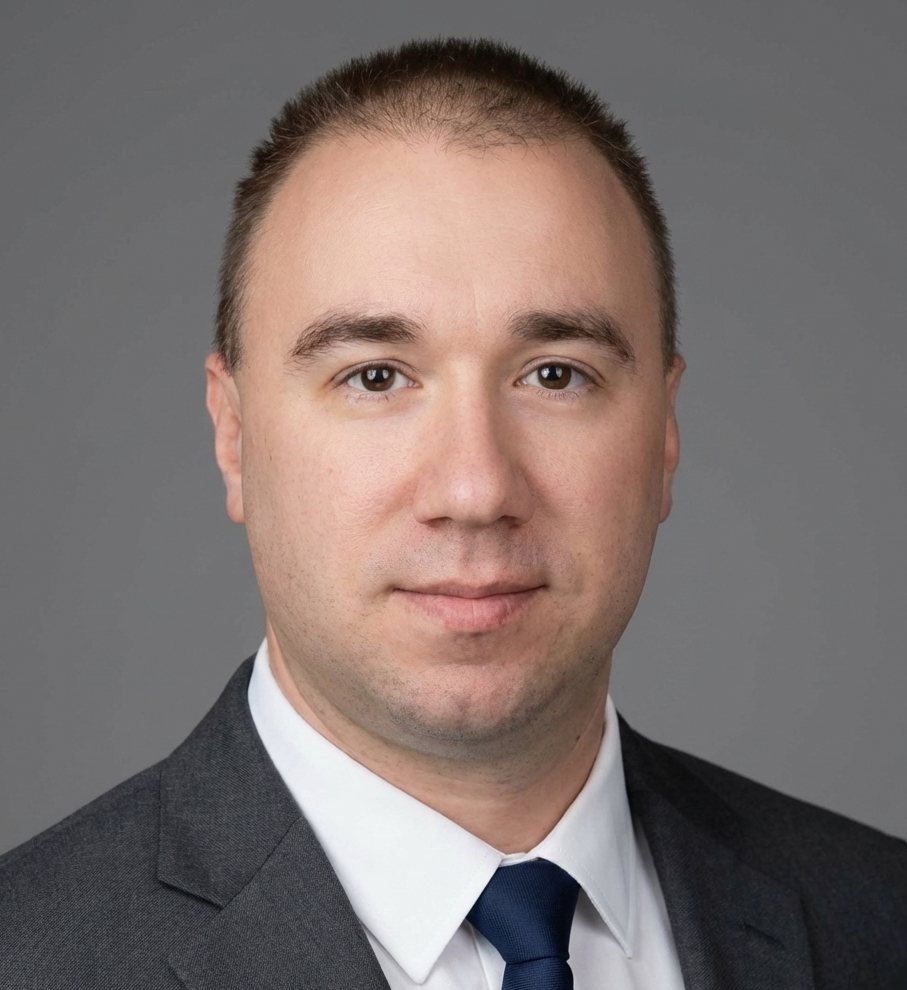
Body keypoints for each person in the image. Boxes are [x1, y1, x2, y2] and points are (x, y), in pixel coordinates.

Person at [1, 36, 904, 990]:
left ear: (664, 433)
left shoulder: (877, 922)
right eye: (375, 377)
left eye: (555, 376)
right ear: (233, 434)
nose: (475, 492)